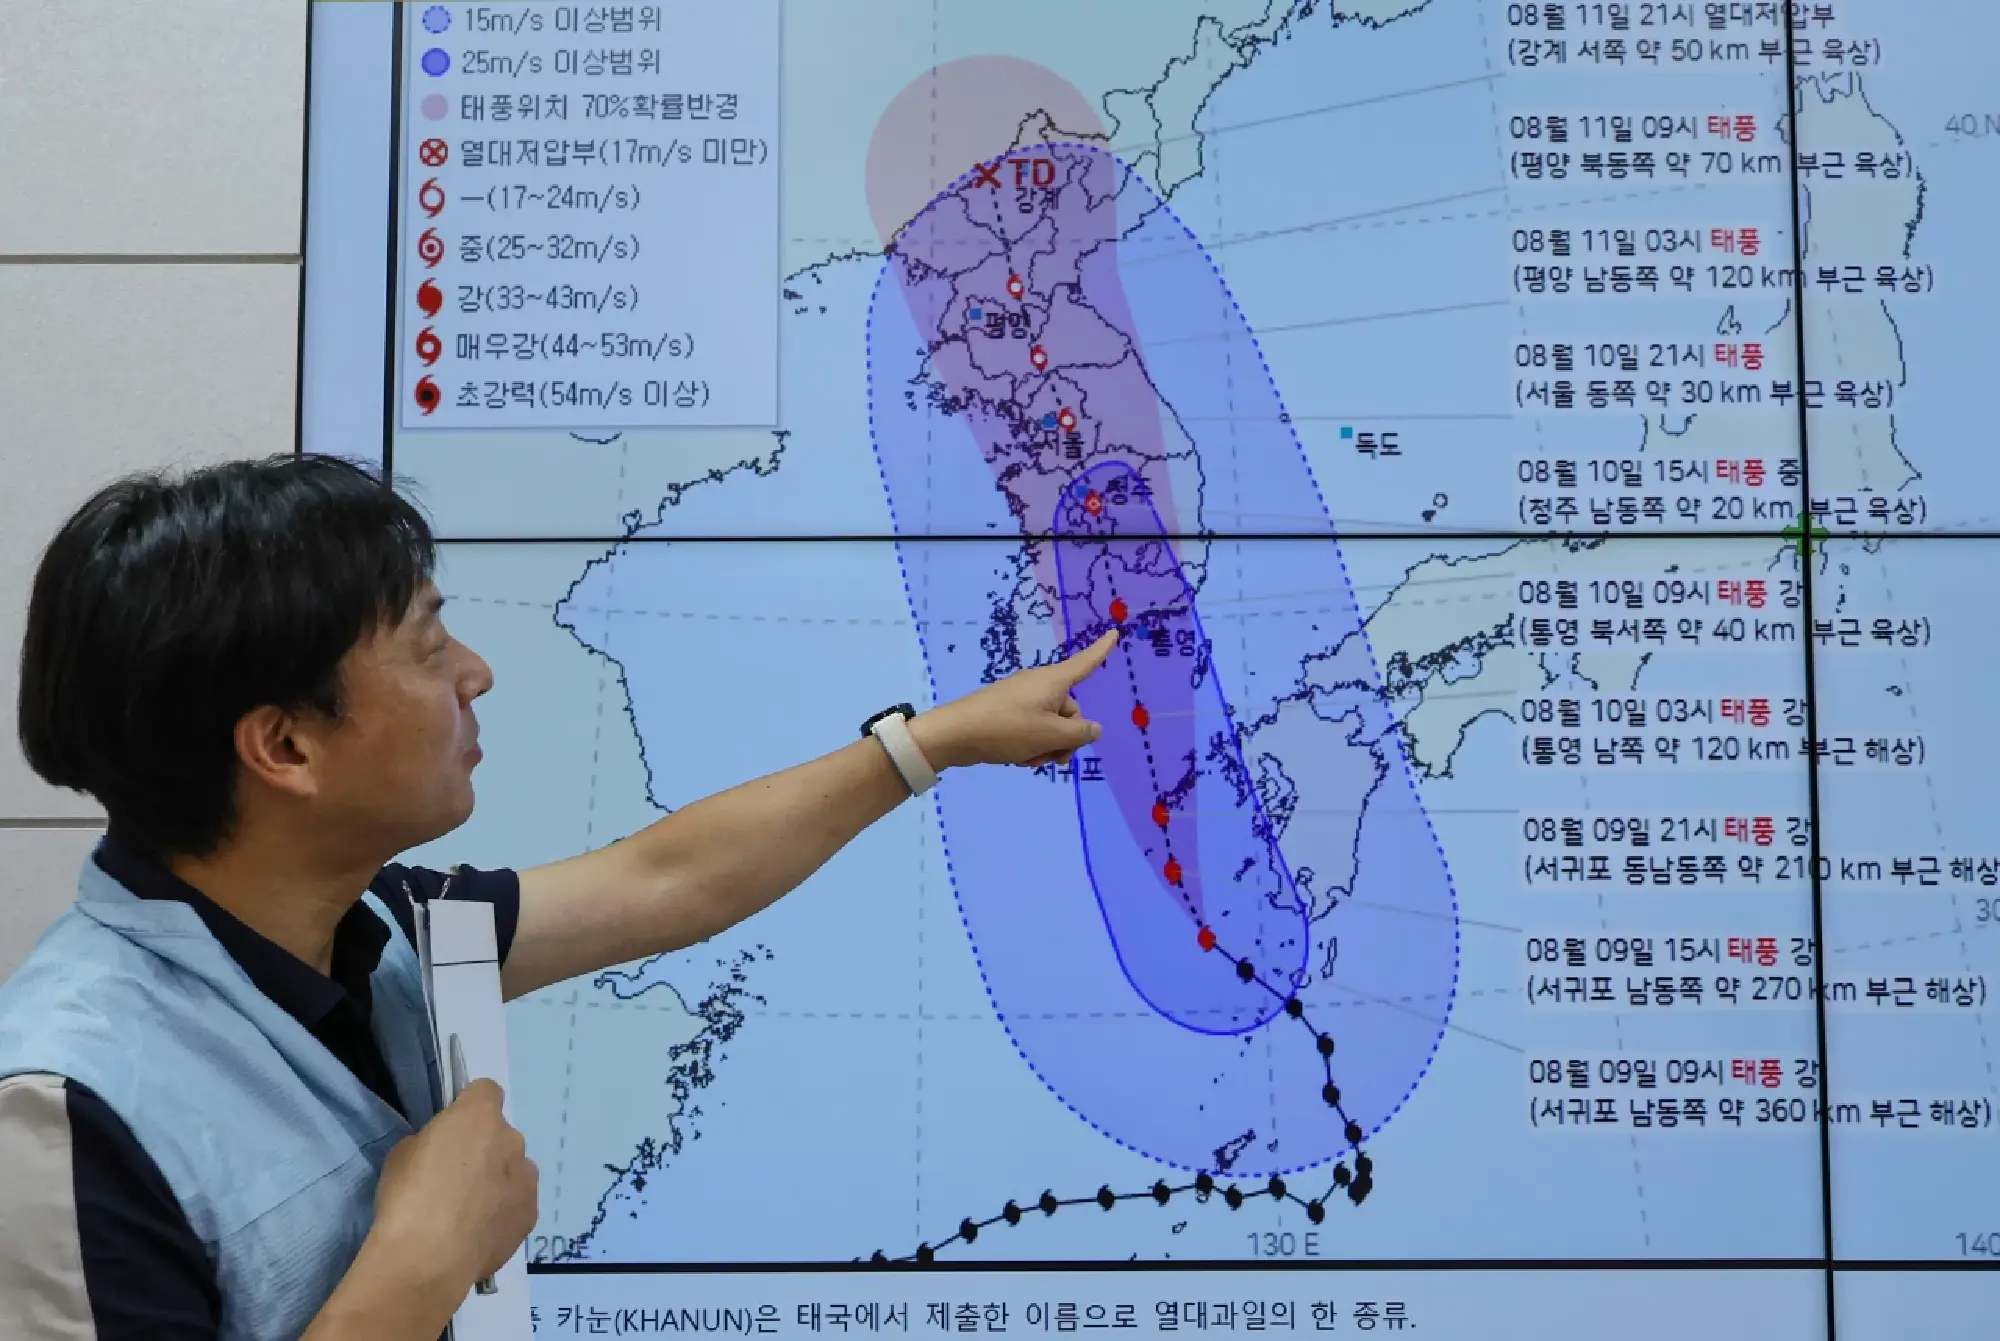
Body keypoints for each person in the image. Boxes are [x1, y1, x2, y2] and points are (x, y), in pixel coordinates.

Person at [0, 454, 1116, 1341]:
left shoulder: (376, 928)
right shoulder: (65, 1108)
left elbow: (665, 880)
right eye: (430, 646)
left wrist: (929, 744)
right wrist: (416, 1268)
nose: (475, 672)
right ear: (284, 745)